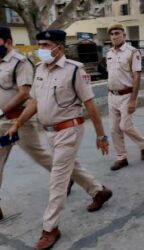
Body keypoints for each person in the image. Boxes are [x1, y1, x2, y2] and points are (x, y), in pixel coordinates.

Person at [6, 29, 112, 250]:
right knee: (70, 167)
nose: (41, 50)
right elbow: (34, 102)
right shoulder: (40, 69)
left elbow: (90, 104)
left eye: (45, 45)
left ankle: (50, 228)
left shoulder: (75, 70)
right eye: (40, 45)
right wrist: (17, 123)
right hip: (50, 132)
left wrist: (101, 135)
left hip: (69, 131)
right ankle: (98, 191)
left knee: (57, 179)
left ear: (59, 48)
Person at [0, 27, 74, 221]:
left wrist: (2, 111)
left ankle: (67, 176)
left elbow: (25, 93)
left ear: (7, 42)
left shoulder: (20, 62)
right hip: (1, 124)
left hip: (19, 120)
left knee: (39, 155)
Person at [106, 23, 144, 171]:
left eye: (117, 33)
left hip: (127, 95)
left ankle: (143, 143)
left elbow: (136, 77)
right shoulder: (109, 53)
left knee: (125, 126)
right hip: (112, 95)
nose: (114, 36)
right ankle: (121, 158)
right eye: (112, 34)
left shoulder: (132, 52)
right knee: (114, 129)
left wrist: (133, 100)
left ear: (124, 35)